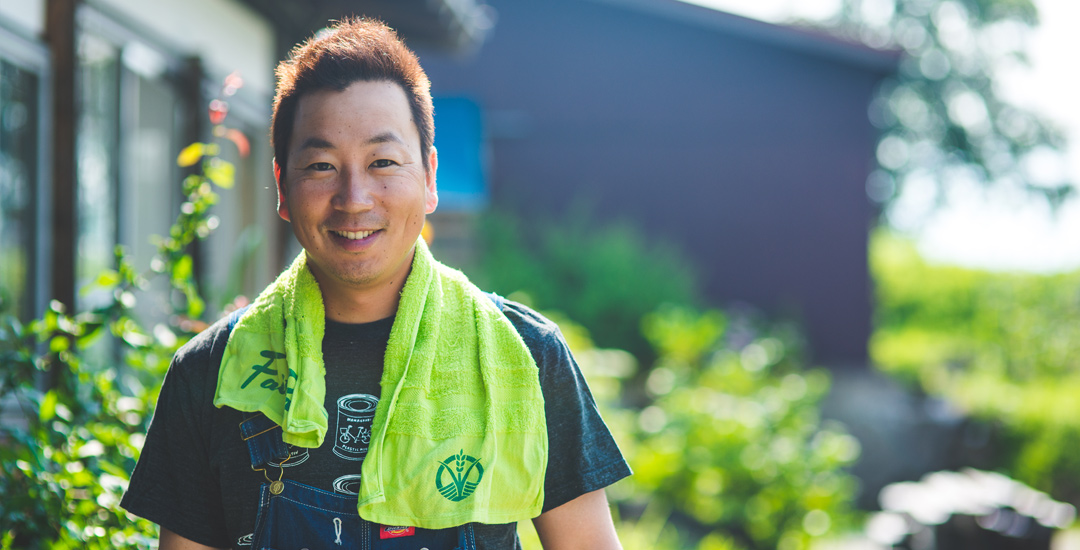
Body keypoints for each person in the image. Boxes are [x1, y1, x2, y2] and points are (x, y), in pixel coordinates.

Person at [120, 17, 631, 550]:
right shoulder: (212, 372)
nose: (354, 198)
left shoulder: (526, 355)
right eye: (321, 165)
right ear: (282, 186)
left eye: (383, 162)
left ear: (430, 177)